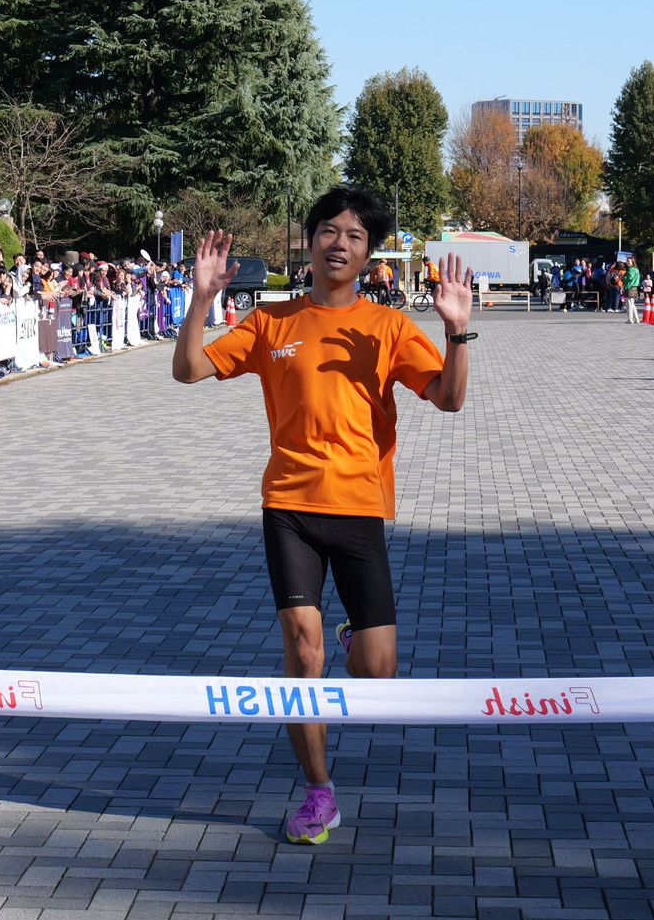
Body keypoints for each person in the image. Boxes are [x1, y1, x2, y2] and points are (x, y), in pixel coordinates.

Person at [172, 185, 473, 846]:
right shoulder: (271, 321)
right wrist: (199, 299)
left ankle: (351, 637)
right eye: (329, 231)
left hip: (359, 505)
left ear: (368, 254)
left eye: (355, 236)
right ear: (309, 241)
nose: (340, 243)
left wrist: (456, 332)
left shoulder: (387, 327)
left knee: (378, 673)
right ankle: (318, 792)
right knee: (301, 653)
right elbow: (188, 368)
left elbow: (449, 399)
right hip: (288, 505)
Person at [622, 257, 641, 323]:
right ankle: (636, 319)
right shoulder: (636, 269)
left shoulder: (631, 269)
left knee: (629, 304)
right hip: (634, 287)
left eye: (629, 261)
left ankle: (630, 319)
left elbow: (630, 277)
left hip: (630, 287)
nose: (627, 262)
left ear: (632, 262)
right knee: (632, 304)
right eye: (627, 261)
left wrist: (623, 277)